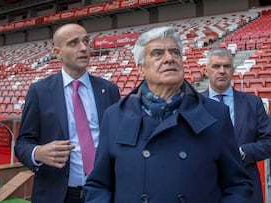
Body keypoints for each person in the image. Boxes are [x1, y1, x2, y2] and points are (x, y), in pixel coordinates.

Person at [84, 26, 253, 203]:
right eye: (157, 53)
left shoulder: (216, 114)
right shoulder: (114, 116)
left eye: (174, 52)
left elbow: (238, 185)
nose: (169, 58)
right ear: (140, 68)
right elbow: (99, 186)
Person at [14, 23, 120, 203]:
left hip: (103, 193)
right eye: (74, 43)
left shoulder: (109, 89)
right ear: (58, 52)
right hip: (57, 195)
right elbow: (23, 143)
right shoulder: (39, 91)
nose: (84, 48)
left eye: (86, 41)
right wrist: (38, 153)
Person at [201, 47, 271, 203]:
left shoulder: (253, 103)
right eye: (216, 66)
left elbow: (269, 141)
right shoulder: (193, 104)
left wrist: (243, 152)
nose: (222, 71)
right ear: (206, 71)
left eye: (226, 66)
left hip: (247, 186)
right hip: (206, 187)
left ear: (233, 70)